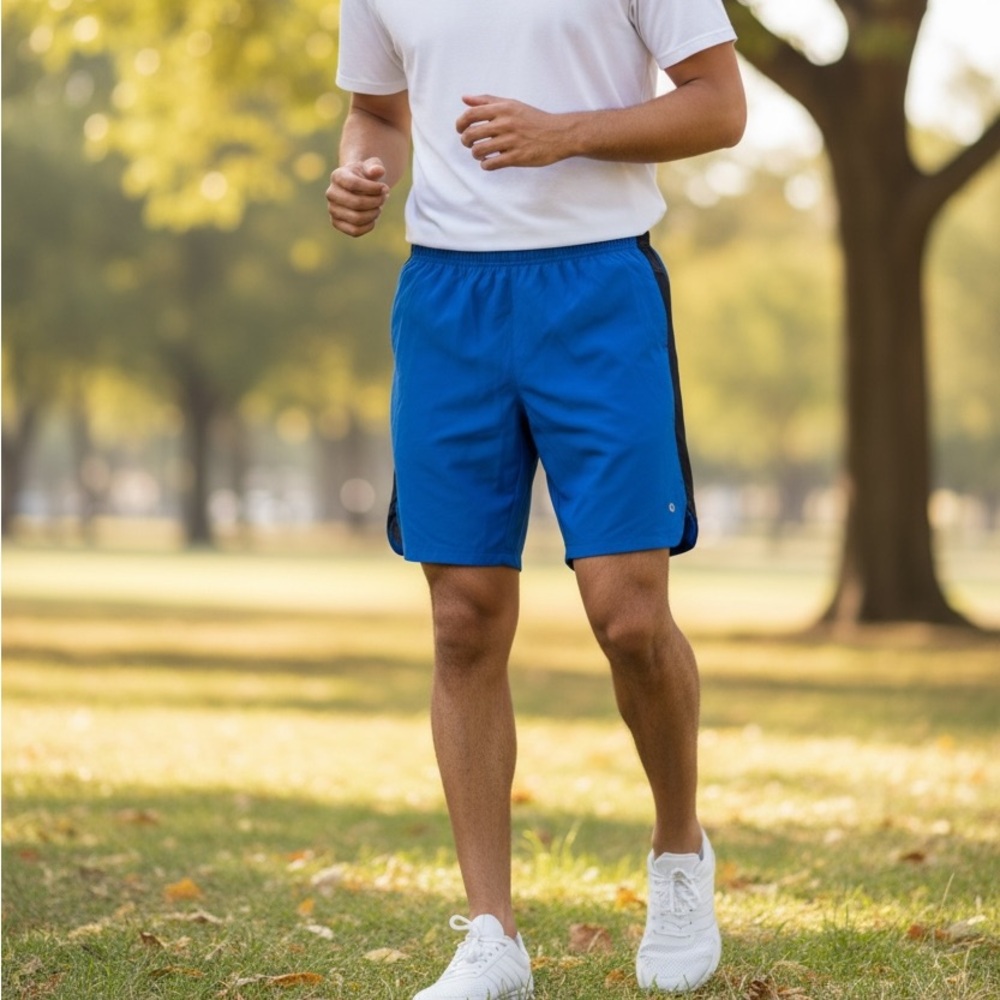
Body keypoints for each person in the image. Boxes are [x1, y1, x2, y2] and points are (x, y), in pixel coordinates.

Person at [327, 2, 746, 996]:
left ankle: (679, 855)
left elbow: (720, 105)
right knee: (462, 620)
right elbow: (377, 109)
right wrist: (363, 167)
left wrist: (565, 133)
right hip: (447, 300)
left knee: (629, 615)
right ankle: (491, 936)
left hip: (599, 290)